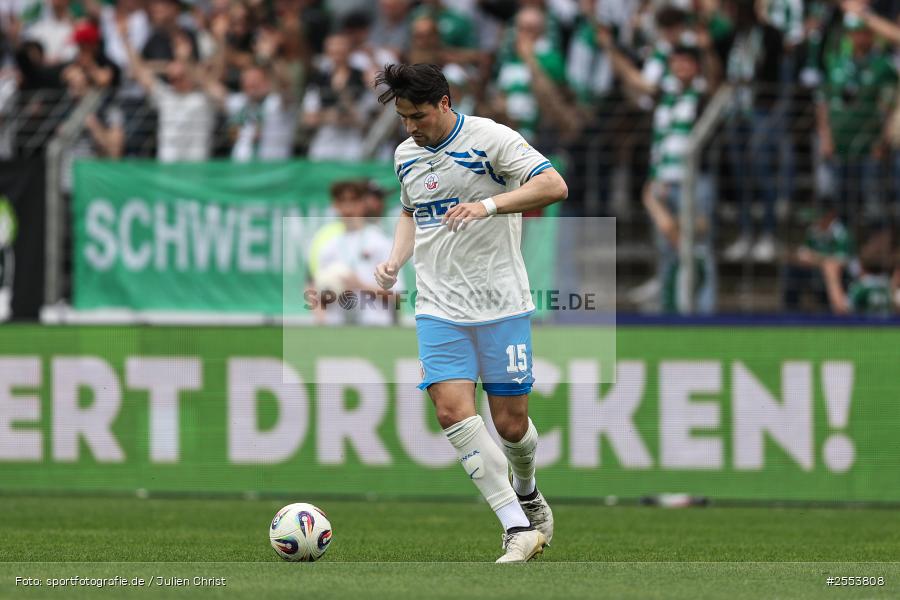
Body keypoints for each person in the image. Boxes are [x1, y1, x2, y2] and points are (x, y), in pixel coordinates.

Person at [373, 63, 567, 562]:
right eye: (402, 117)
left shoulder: (491, 139)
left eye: (418, 116)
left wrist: (488, 206)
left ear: (444, 102)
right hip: (438, 305)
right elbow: (411, 212)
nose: (410, 127)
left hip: (500, 303)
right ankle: (516, 527)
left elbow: (554, 186)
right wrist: (396, 259)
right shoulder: (406, 155)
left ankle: (527, 489)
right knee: (450, 411)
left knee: (511, 425)